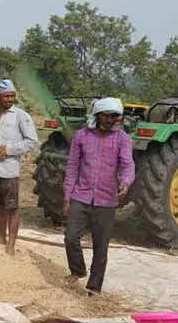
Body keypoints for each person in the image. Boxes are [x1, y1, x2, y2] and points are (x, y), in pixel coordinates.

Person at [62, 97, 135, 296]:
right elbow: (72, 167)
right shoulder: (81, 136)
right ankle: (77, 270)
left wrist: (125, 182)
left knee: (100, 246)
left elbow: (128, 164)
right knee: (70, 237)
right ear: (97, 115)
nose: (109, 120)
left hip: (106, 199)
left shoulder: (122, 139)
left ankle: (94, 287)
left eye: (114, 116)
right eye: (106, 115)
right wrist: (67, 196)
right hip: (81, 195)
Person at [0, 79, 39, 255]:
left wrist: (9, 150)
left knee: (12, 208)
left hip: (9, 171)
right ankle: (1, 237)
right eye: (6, 96)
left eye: (12, 96)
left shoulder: (21, 116)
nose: (10, 99)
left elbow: (33, 142)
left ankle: (11, 244)